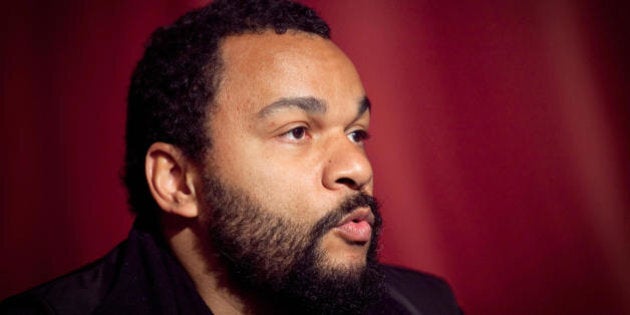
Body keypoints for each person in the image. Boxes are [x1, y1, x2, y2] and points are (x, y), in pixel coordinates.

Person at [0, 0, 462, 314]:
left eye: (357, 133)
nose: (357, 168)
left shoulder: (423, 305)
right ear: (178, 181)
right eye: (297, 131)